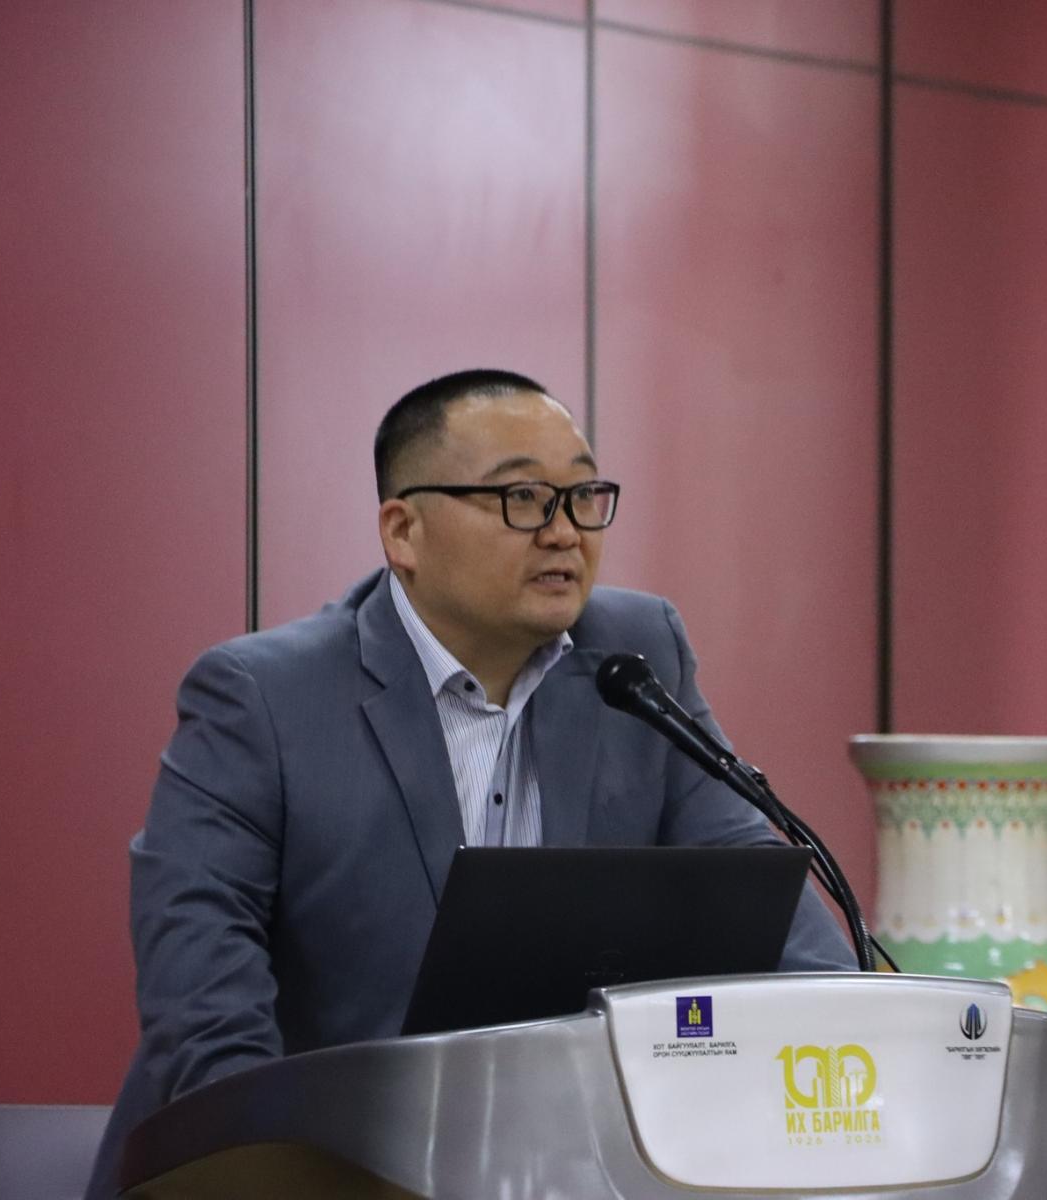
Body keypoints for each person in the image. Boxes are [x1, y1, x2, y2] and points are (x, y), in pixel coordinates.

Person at [84, 369, 852, 1198]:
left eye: (582, 496)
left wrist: (862, 1037)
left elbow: (758, 896)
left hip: (557, 1170)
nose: (565, 533)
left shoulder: (636, 656)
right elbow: (205, 1020)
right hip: (308, 1167)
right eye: (523, 498)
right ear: (404, 531)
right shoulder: (262, 700)